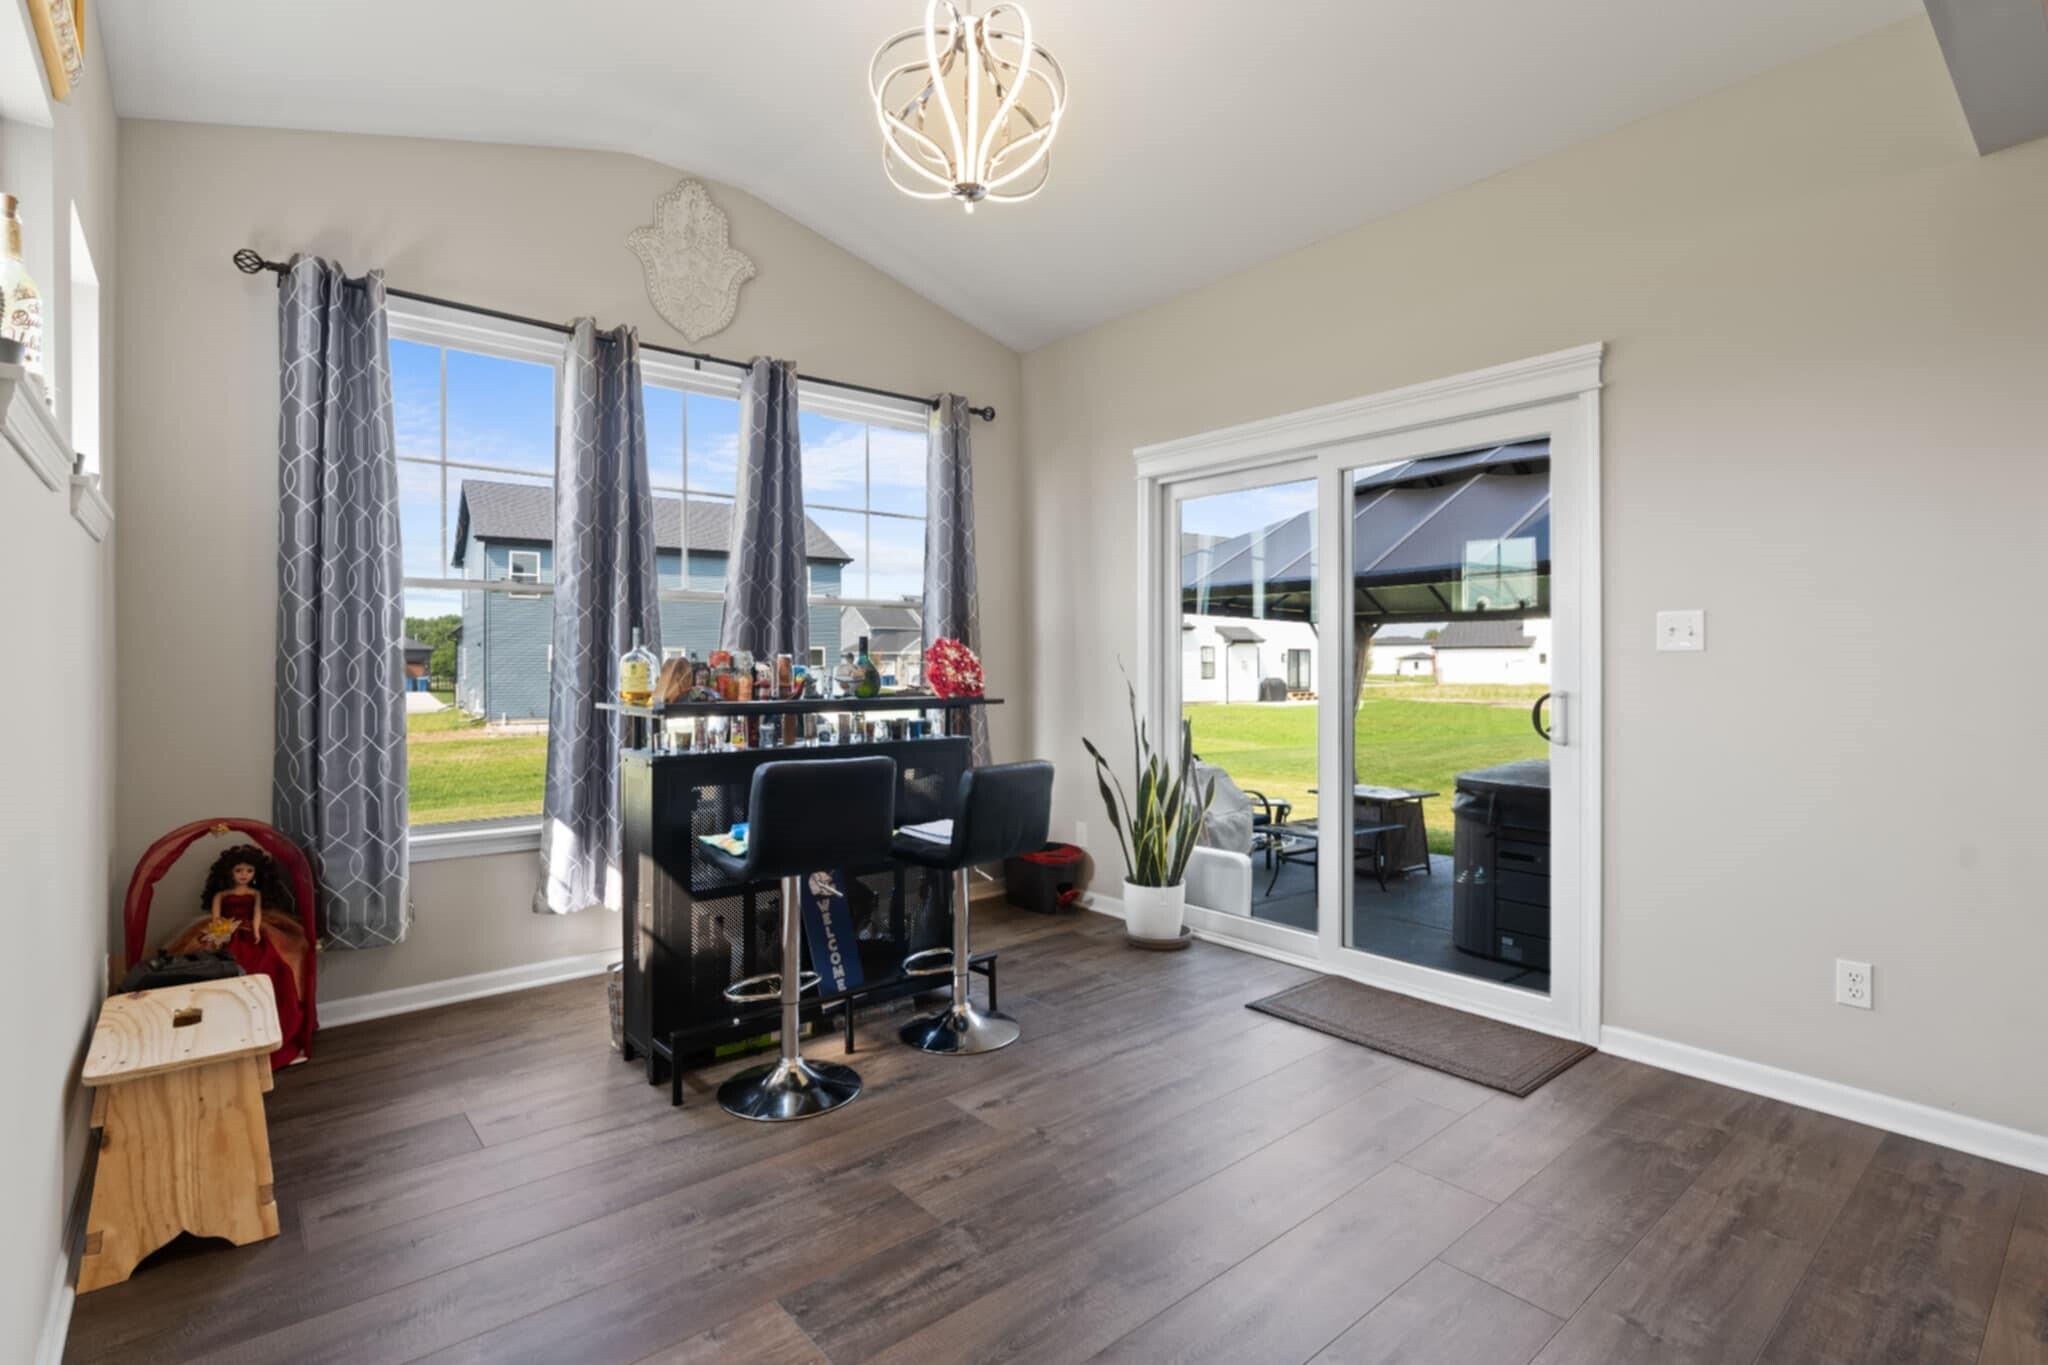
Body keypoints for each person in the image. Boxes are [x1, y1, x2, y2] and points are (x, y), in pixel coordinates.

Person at [164, 844, 312, 1065]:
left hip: (252, 934)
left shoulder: (255, 894)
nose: (244, 875)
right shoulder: (222, 895)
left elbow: (257, 915)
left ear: (256, 873)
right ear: (229, 873)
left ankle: (274, 1031)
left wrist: (256, 931)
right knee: (216, 972)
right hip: (226, 932)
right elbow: (216, 919)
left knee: (272, 967)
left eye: (249, 871)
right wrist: (220, 933)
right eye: (239, 870)